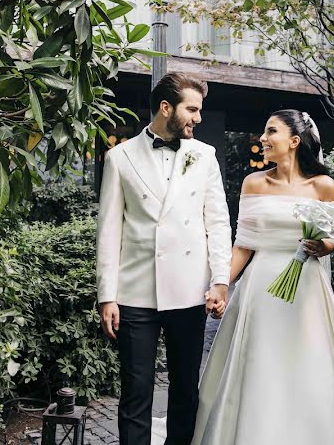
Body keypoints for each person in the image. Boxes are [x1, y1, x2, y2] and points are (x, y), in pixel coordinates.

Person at [191, 109, 334, 445]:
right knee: (260, 366)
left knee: (310, 367)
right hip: (260, 289)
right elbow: (243, 245)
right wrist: (221, 285)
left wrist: (322, 245)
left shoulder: (323, 185)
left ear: (294, 141)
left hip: (307, 291)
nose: (263, 138)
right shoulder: (253, 183)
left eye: (271, 131)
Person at [96, 72, 232, 445]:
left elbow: (217, 222)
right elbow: (109, 231)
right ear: (166, 107)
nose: (198, 118)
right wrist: (107, 294)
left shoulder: (205, 156)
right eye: (192, 109)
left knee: (186, 390)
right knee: (136, 390)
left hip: (188, 292)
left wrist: (220, 279)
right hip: (135, 292)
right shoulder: (119, 158)